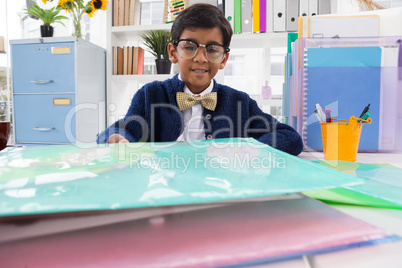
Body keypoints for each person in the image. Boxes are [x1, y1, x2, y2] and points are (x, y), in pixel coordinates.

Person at [97, 3, 303, 156]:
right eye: (189, 46)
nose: (201, 58)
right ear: (173, 52)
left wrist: (254, 149)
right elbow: (123, 130)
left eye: (213, 50)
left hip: (220, 192)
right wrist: (116, 138)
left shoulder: (239, 102)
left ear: (224, 59)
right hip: (165, 191)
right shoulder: (150, 95)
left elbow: (289, 137)